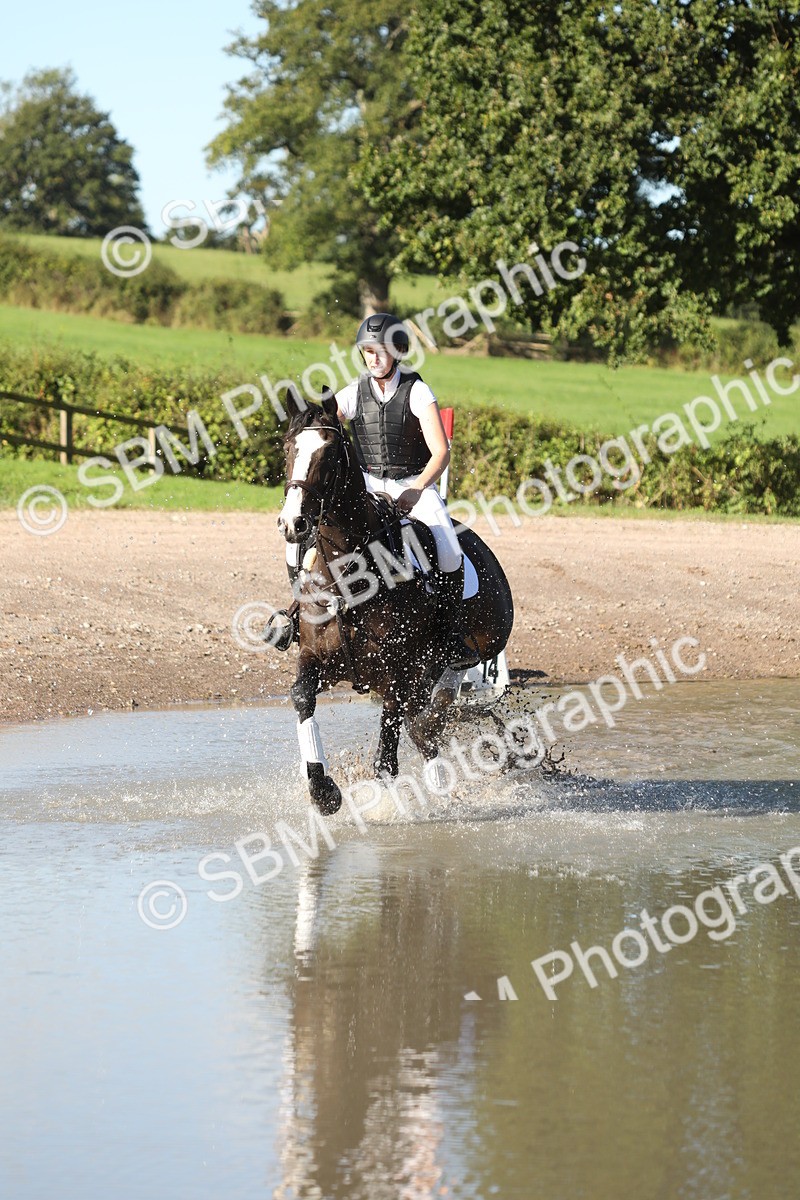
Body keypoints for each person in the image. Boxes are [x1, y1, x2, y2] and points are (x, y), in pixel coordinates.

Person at [267, 312, 480, 670]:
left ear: (397, 351)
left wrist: (416, 489)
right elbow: (324, 426)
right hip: (368, 486)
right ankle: (294, 617)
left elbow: (441, 452)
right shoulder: (354, 393)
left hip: (414, 484)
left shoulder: (417, 391)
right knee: (298, 543)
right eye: (368, 351)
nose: (374, 358)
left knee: (448, 551)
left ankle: (450, 634)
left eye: (381, 350)